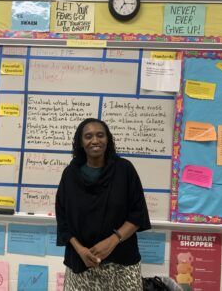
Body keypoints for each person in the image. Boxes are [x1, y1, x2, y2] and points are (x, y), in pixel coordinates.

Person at [56, 118, 151, 291]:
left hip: (122, 264)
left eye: (100, 135)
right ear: (80, 141)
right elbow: (62, 220)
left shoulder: (125, 170)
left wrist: (113, 240)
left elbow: (138, 214)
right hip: (81, 263)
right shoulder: (70, 175)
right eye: (88, 136)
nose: (95, 141)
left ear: (108, 139)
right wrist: (80, 250)